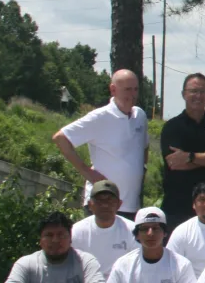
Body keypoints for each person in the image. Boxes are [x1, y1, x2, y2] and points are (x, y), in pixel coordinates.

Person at [53, 69, 148, 218]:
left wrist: (142, 168)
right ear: (113, 90)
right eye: (128, 89)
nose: (133, 94)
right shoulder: (100, 117)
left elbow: (144, 145)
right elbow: (61, 138)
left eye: (136, 89)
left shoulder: (140, 116)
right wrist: (87, 172)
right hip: (102, 204)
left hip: (131, 206)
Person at [159, 72, 205, 226]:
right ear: (184, 94)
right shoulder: (172, 127)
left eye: (202, 92)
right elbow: (176, 163)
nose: (198, 96)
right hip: (177, 207)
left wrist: (190, 156)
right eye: (193, 91)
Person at [70, 180, 136, 276]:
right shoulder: (77, 231)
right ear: (90, 205)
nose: (105, 204)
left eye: (110, 200)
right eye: (99, 200)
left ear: (119, 204)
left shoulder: (132, 230)